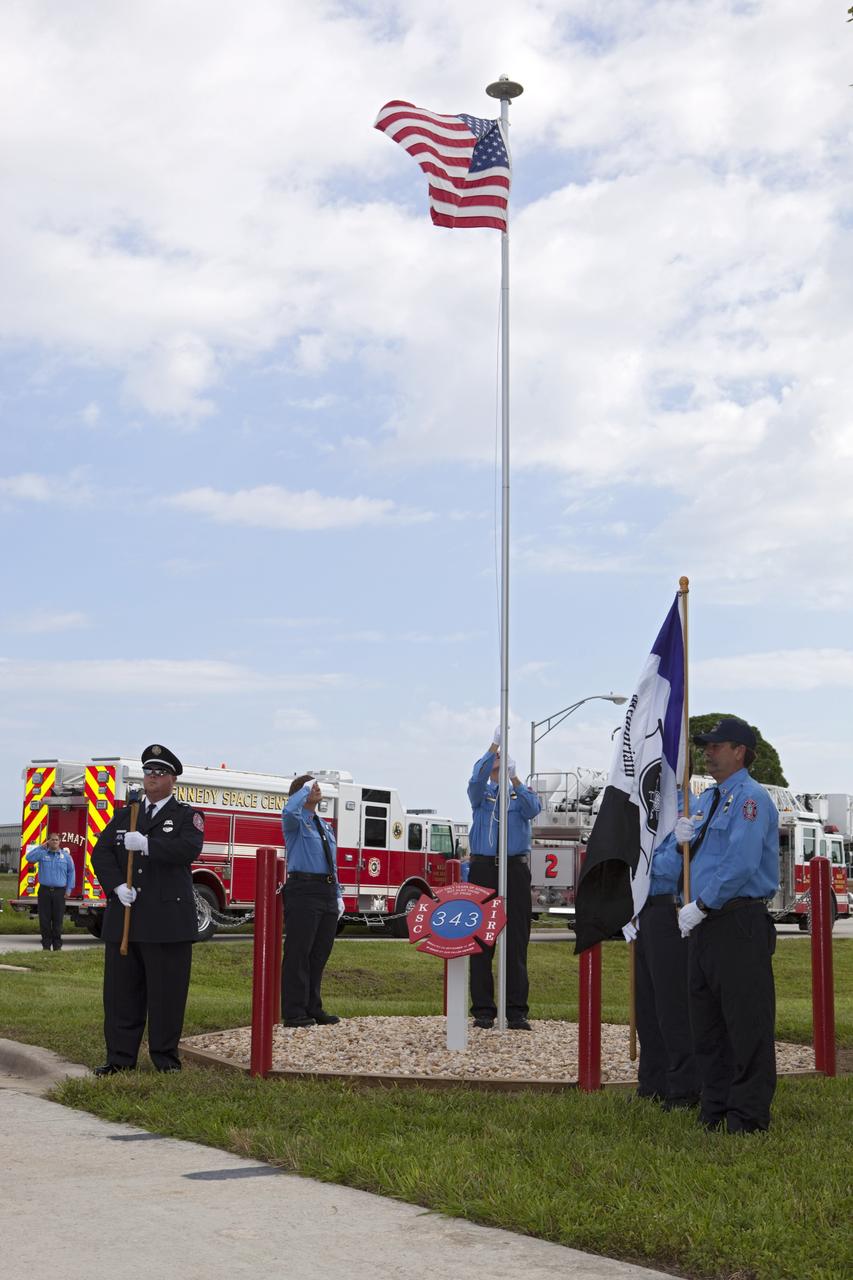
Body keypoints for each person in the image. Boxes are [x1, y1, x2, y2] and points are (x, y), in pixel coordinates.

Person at [651, 717, 779, 1133]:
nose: (707, 752)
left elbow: (740, 864)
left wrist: (702, 904)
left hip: (735, 918)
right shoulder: (705, 801)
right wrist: (680, 839)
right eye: (706, 746)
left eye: (716, 746)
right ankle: (716, 1108)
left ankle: (747, 1115)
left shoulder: (751, 799)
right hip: (701, 923)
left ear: (739, 751)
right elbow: (677, 859)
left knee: (745, 1023)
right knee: (706, 1022)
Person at [91, 744, 204, 1074]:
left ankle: (165, 1059)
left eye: (160, 773)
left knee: (166, 995)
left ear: (172, 780)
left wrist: (148, 845)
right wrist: (116, 886)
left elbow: (188, 849)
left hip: (167, 923)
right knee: (121, 995)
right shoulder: (127, 814)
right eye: (149, 773)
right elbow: (101, 854)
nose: (152, 778)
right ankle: (119, 1059)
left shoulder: (186, 816)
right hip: (126, 920)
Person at [466, 729, 541, 1030]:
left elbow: (533, 809)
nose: (497, 760)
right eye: (494, 759)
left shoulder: (519, 794)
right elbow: (474, 779)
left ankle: (516, 1011)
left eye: (501, 758)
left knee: (516, 941)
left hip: (515, 869)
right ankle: (483, 1010)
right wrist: (494, 744)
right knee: (481, 940)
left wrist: (515, 779)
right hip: (485, 868)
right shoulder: (480, 794)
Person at [629, 791, 699, 1110]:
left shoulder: (691, 806)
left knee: (673, 1006)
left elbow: (672, 868)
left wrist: (683, 841)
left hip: (671, 910)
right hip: (644, 910)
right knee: (647, 1003)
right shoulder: (647, 802)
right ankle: (653, 1080)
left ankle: (683, 1086)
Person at [280, 774, 344, 1028]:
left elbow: (333, 862)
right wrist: (303, 789)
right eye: (313, 787)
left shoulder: (323, 825)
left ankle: (313, 1007)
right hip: (303, 890)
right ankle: (294, 1012)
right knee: (299, 953)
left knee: (319, 954)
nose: (318, 790)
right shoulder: (295, 822)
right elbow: (287, 811)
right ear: (301, 793)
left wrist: (337, 894)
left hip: (326, 891)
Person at [24, 833, 75, 951]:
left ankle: (57, 946)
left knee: (58, 920)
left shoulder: (66, 857)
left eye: (57, 840)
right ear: (48, 841)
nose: (55, 842)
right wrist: (41, 846)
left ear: (60, 841)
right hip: (44, 891)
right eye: (52, 840)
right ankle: (46, 946)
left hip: (60, 892)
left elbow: (71, 873)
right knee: (44, 920)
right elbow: (28, 858)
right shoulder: (42, 854)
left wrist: (68, 890)